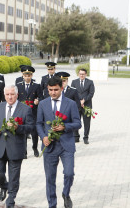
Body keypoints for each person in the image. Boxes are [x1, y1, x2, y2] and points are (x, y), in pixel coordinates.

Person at [36, 76, 81, 208]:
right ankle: (52, 205)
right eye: (50, 90)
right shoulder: (43, 104)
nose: (53, 92)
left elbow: (78, 123)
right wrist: (43, 137)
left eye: (56, 89)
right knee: (50, 178)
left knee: (69, 173)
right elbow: (38, 124)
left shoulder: (71, 103)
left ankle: (66, 193)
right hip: (49, 146)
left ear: (61, 88)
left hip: (66, 145)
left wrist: (65, 127)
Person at [0, 85, 34, 207]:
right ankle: (4, 186)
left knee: (14, 177)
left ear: (17, 95)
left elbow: (30, 127)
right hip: (0, 147)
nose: (10, 97)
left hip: (16, 148)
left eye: (12, 94)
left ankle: (11, 200)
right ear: (4, 95)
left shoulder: (25, 109)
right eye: (7, 94)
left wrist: (18, 127)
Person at [16, 66, 43, 158]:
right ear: (22, 75)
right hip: (22, 113)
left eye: (29, 75)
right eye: (25, 75)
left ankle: (35, 148)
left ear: (31, 75)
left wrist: (38, 100)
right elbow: (17, 98)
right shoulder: (19, 86)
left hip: (33, 112)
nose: (27, 77)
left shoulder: (36, 86)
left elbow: (41, 97)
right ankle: (24, 151)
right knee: (23, 132)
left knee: (34, 132)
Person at [71, 69, 95, 144]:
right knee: (76, 121)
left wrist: (84, 100)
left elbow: (91, 93)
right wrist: (79, 101)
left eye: (83, 74)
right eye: (80, 74)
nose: (81, 75)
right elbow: (72, 93)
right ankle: (76, 136)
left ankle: (86, 137)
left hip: (87, 105)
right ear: (78, 74)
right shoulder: (74, 82)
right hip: (77, 106)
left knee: (87, 122)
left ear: (86, 74)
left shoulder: (90, 82)